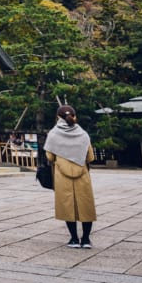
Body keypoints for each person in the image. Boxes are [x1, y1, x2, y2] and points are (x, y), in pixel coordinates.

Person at [44, 104, 97, 248]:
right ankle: (85, 239)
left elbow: (49, 156)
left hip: (62, 173)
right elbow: (90, 156)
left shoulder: (53, 134)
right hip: (82, 173)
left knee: (67, 206)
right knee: (85, 205)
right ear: (74, 116)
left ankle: (74, 239)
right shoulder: (83, 134)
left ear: (58, 118)